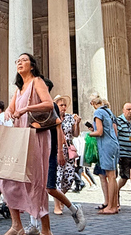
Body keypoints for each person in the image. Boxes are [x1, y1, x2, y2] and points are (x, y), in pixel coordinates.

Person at [0, 53, 53, 235]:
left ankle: (46, 230)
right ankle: (17, 225)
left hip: (35, 136)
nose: (20, 63)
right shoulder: (19, 88)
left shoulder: (37, 81)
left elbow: (49, 104)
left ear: (32, 65)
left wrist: (26, 109)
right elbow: (11, 108)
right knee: (6, 178)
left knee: (35, 181)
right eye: (18, 61)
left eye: (24, 60)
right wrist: (8, 112)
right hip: (19, 136)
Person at [45, 93, 85, 232]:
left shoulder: (69, 118)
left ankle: (62, 199)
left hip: (68, 150)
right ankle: (57, 205)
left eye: (64, 105)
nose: (63, 107)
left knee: (68, 179)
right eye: (61, 105)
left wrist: (77, 124)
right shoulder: (53, 118)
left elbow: (75, 134)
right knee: (56, 178)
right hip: (56, 149)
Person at [87, 95, 120, 215]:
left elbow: (99, 132)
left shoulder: (98, 113)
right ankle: (114, 205)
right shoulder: (109, 112)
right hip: (114, 144)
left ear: (93, 104)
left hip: (106, 145)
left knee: (110, 176)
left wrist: (89, 134)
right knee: (113, 176)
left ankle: (110, 207)